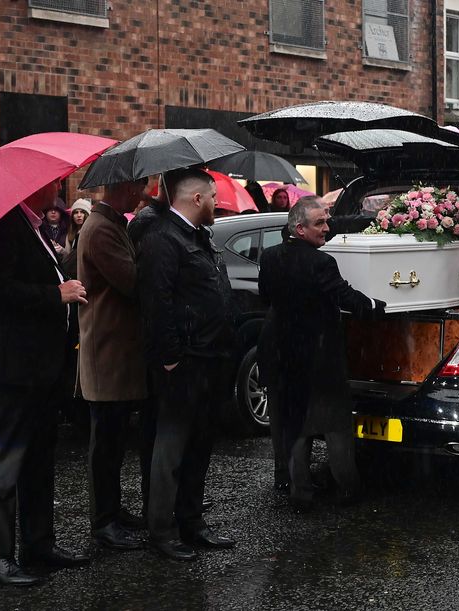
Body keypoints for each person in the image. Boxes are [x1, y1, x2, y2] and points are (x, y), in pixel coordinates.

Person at [0, 180, 90, 586]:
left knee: (38, 457)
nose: (57, 187)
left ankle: (39, 543)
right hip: (12, 367)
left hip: (39, 367)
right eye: (51, 183)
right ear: (31, 187)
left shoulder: (29, 225)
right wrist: (57, 293)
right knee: (7, 458)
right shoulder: (0, 227)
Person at [257, 196, 385, 511]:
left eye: (326, 221)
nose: (326, 228)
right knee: (336, 424)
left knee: (296, 423)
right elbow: (344, 295)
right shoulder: (321, 262)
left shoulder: (270, 256)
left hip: (282, 351)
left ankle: (301, 493)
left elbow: (265, 296)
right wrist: (373, 306)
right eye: (320, 223)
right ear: (299, 229)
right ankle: (349, 489)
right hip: (318, 356)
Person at [136, 168, 236, 561]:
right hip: (185, 363)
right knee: (171, 449)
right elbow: (155, 303)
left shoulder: (198, 236)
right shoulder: (162, 238)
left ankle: (192, 522)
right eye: (213, 195)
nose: (217, 202)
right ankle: (162, 530)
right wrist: (172, 357)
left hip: (211, 359)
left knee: (199, 446)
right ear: (197, 200)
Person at [76, 179, 153, 552]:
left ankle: (113, 512)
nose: (142, 193)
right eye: (138, 186)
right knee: (105, 444)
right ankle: (103, 522)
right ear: (124, 188)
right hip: (105, 351)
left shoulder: (112, 224)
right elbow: (132, 281)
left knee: (114, 440)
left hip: (115, 350)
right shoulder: (101, 229)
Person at [62, 198, 92, 280]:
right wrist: (61, 250)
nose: (79, 215)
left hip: (87, 272)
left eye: (82, 212)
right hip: (73, 273)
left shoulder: (91, 232)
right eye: (76, 212)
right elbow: (68, 255)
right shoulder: (70, 234)